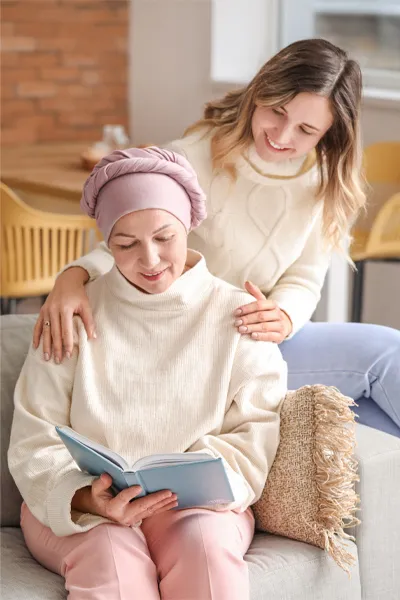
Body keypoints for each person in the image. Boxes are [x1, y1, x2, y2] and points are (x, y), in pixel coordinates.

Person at [33, 38, 400, 437]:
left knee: (371, 410)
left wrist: (284, 316)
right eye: (277, 111)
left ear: (329, 134)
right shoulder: (192, 158)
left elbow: (304, 278)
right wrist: (73, 277)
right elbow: (129, 246)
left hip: (257, 341)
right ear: (260, 92)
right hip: (189, 343)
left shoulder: (322, 183)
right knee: (384, 359)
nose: (282, 134)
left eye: (306, 129)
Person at [9, 147, 287, 600]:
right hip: (85, 509)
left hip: (198, 508)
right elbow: (33, 437)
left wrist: (197, 485)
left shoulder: (238, 314)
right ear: (106, 244)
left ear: (188, 226)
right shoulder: (73, 314)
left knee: (207, 555)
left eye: (165, 237)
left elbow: (256, 428)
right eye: (126, 244)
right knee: (111, 560)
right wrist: (84, 498)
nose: (151, 259)